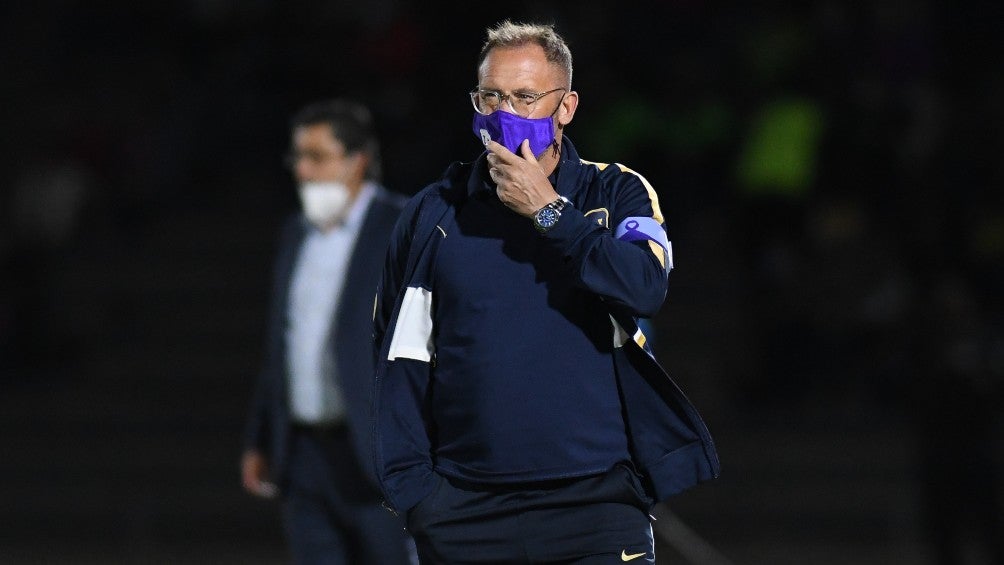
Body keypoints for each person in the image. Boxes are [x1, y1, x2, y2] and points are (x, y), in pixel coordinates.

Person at [371, 21, 719, 564]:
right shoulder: (433, 212)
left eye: (527, 97)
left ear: (567, 106)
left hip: (596, 507)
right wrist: (415, 492)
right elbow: (396, 351)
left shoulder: (617, 190)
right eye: (491, 96)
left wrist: (548, 211)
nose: (504, 114)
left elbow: (643, 287)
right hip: (464, 511)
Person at [241, 99, 413, 565]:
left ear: (357, 160)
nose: (302, 170)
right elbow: (282, 339)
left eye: (316, 156)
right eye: (297, 157)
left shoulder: (402, 227)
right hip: (302, 455)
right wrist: (261, 436)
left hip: (372, 454)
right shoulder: (297, 232)